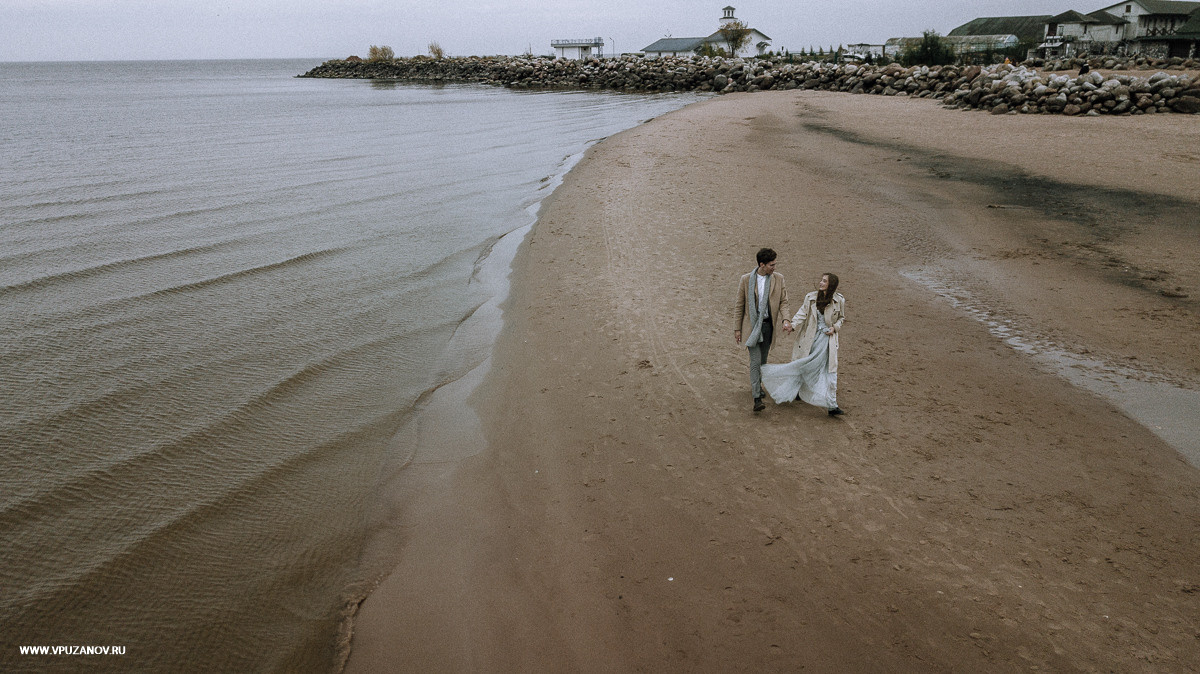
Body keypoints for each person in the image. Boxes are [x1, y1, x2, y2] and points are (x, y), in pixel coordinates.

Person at [760, 273, 845, 416]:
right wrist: (792, 325)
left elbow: (841, 318)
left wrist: (835, 328)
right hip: (810, 339)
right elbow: (802, 313)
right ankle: (797, 390)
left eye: (824, 281)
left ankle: (832, 405)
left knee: (830, 371)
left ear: (831, 285)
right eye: (821, 280)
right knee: (804, 364)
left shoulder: (839, 300)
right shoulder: (811, 298)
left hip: (828, 341)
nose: (821, 283)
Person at [733, 248, 792, 412]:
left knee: (763, 361)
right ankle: (756, 396)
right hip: (752, 328)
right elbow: (739, 305)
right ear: (762, 264)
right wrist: (737, 329)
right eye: (771, 265)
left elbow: (783, 302)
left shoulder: (778, 279)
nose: (774, 267)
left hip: (768, 326)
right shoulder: (746, 280)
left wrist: (786, 319)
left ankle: (757, 385)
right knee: (755, 361)